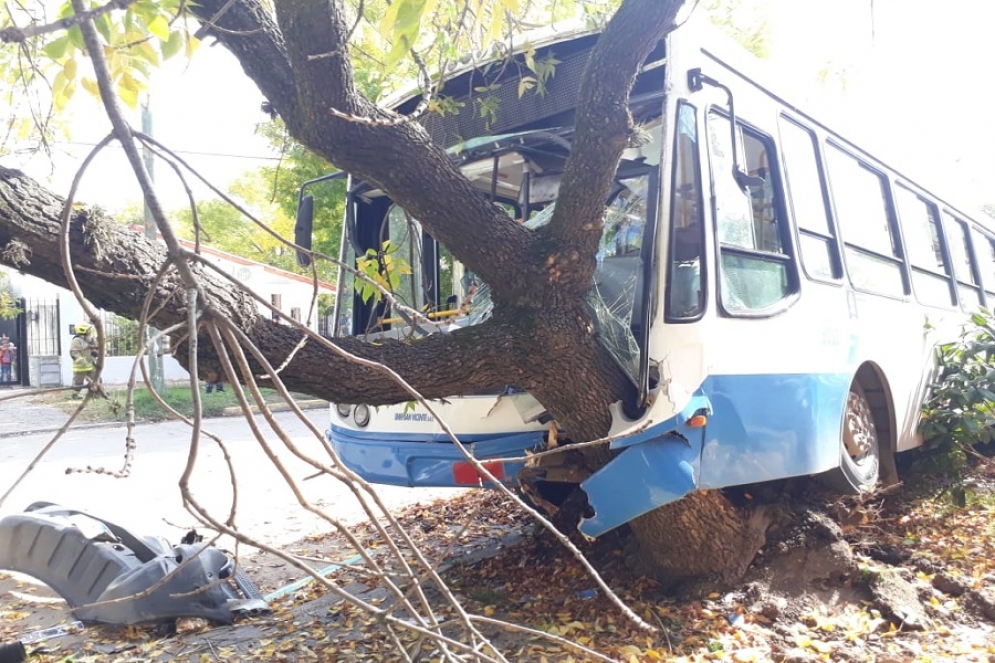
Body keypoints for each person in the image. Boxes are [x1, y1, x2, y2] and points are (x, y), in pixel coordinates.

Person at [69, 323, 99, 398]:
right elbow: (74, 353)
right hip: (80, 367)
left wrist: (96, 353)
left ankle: (96, 395)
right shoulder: (77, 340)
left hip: (91, 365)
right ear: (83, 330)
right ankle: (74, 395)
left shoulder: (91, 339)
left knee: (96, 380)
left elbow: (96, 349)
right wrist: (82, 362)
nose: (90, 331)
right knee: (78, 384)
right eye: (88, 329)